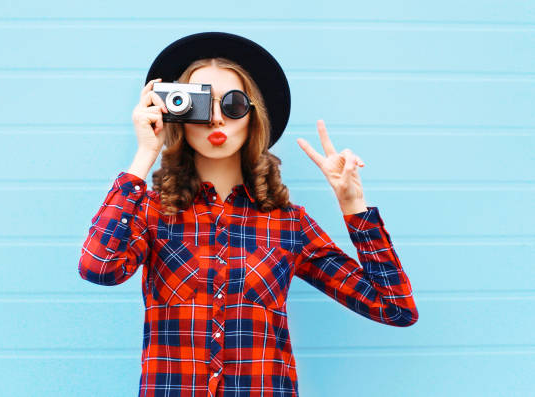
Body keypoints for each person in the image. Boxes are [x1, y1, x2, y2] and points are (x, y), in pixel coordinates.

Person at [79, 32, 418, 397]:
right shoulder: (150, 211)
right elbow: (99, 268)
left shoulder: (289, 223)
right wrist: (144, 155)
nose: (216, 120)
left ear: (252, 114)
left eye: (233, 104)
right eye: (200, 103)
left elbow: (394, 307)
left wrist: (354, 206)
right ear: (174, 110)